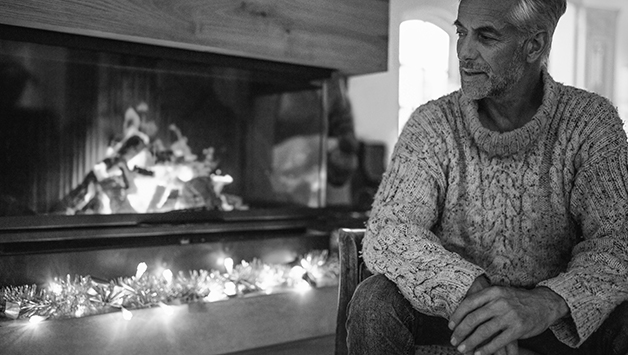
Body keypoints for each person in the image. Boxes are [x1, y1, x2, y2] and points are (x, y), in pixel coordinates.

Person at [346, 0, 628, 354]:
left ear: (534, 45)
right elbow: (388, 230)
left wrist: (547, 302)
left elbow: (618, 244)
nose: (464, 52)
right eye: (461, 32)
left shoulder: (590, 123)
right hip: (455, 311)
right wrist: (470, 290)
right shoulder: (432, 123)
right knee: (374, 299)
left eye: (486, 37)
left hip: (552, 321)